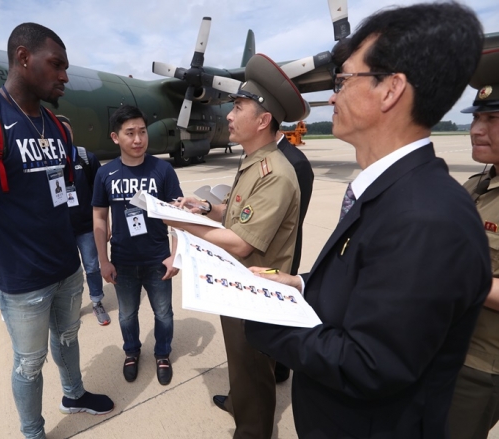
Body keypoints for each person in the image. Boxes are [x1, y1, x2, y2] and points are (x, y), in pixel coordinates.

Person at [243, 3, 491, 438]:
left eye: (343, 80)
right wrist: (298, 285)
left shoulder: (427, 218)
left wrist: (260, 315)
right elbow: (365, 280)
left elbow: (370, 363)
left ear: (391, 89)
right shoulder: (393, 189)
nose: (333, 96)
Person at [0, 22, 113, 439]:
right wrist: (0, 264)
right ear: (22, 57)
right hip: (22, 282)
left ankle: (73, 394)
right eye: (57, 65)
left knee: (68, 339)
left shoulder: (56, 126)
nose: (65, 76)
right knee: (29, 363)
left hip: (66, 267)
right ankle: (33, 432)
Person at [171, 54, 307, 438]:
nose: (229, 115)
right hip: (236, 283)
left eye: (239, 106)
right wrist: (205, 208)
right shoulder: (253, 161)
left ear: (263, 120)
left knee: (253, 368)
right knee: (240, 362)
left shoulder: (275, 173)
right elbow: (235, 212)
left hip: (256, 290)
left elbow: (242, 243)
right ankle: (238, 402)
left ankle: (253, 430)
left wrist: (178, 222)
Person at [92, 104, 183, 386]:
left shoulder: (163, 170)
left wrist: (175, 256)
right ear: (115, 137)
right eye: (129, 133)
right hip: (123, 261)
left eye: (142, 132)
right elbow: (99, 215)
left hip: (158, 258)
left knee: (164, 313)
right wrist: (103, 261)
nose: (137, 139)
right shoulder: (105, 174)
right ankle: (131, 352)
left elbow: (177, 214)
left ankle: (162, 353)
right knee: (127, 314)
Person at [448, 55, 499, 439]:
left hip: (482, 364)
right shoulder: (478, 184)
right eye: (476, 118)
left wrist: (452, 276)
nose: (475, 130)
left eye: (492, 120)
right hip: (450, 346)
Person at [57, 115, 110, 326]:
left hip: (86, 227)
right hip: (61, 230)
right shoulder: (47, 162)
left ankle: (97, 302)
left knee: (92, 267)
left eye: (67, 131)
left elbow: (102, 197)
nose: (64, 135)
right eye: (59, 131)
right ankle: (71, 306)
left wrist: (106, 225)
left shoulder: (86, 158)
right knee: (69, 271)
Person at [274, 126, 314, 383]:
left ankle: (279, 368)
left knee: (279, 312)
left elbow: (293, 219)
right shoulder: (263, 156)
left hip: (281, 254)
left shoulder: (295, 162)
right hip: (268, 250)